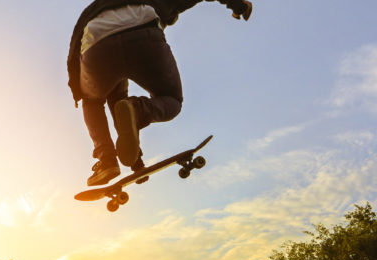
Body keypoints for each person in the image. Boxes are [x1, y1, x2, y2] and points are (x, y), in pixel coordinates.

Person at [68, 0, 253, 186]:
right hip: (144, 32)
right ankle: (139, 111)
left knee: (93, 100)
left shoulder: (94, 8)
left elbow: (75, 46)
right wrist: (239, 6)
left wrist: (78, 89)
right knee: (170, 99)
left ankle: (106, 161)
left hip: (97, 44)